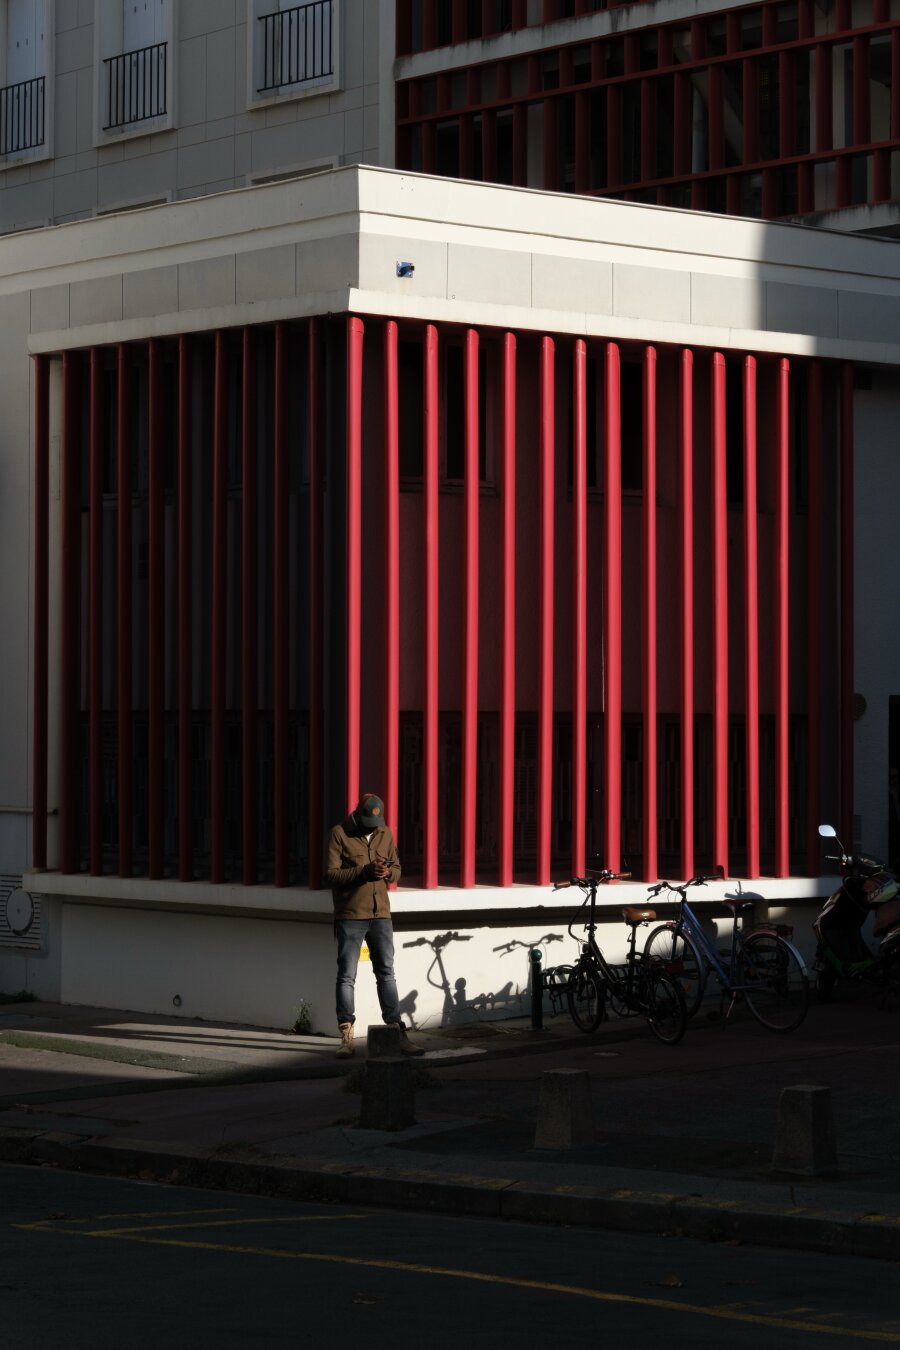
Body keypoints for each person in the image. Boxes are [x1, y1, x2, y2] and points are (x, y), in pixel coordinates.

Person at [323, 792, 423, 1059]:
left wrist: (388, 872)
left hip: (381, 915)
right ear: (357, 814)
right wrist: (364, 872)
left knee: (386, 973)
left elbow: (398, 868)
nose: (371, 828)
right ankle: (346, 1036)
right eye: (367, 823)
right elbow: (330, 875)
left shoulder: (385, 833)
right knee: (347, 975)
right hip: (351, 914)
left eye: (375, 824)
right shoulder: (339, 834)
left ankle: (396, 1032)